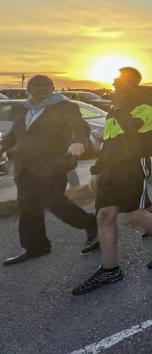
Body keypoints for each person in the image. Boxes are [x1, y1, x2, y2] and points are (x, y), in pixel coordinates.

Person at [72, 67, 152, 295]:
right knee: (105, 214)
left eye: (119, 83)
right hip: (111, 168)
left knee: (134, 213)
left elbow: (132, 132)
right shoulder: (114, 109)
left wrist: (121, 108)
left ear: (130, 85)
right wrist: (97, 169)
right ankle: (110, 269)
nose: (114, 86)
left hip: (133, 166)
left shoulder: (144, 106)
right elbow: (109, 143)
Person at [1, 75, 99, 266]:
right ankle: (35, 247)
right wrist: (3, 146)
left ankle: (88, 222)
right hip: (25, 167)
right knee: (27, 206)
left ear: (52, 88)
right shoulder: (22, 108)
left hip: (52, 165)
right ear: (29, 89)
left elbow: (80, 125)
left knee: (53, 201)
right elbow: (15, 133)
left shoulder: (65, 107)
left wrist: (78, 141)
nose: (40, 89)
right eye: (35, 85)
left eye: (45, 85)